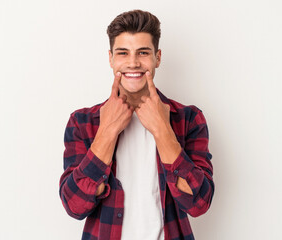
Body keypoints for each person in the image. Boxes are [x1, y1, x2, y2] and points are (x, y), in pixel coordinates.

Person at [59, 9, 214, 240]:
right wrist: (108, 131)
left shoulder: (189, 118)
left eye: (143, 52)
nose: (133, 63)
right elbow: (75, 205)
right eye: (123, 53)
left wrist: (162, 130)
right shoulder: (82, 123)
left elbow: (199, 203)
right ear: (111, 58)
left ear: (157, 58)